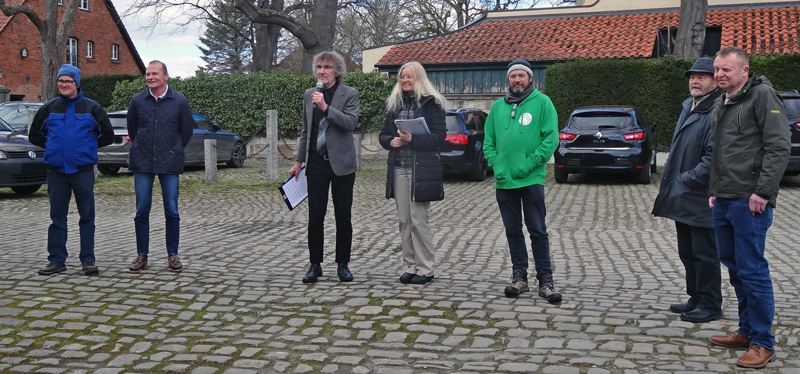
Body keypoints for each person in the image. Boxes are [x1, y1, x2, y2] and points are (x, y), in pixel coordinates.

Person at [707, 46, 790, 369]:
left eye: (726, 69)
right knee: (735, 266)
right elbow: (721, 151)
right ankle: (745, 330)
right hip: (725, 197)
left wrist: (764, 192)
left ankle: (762, 342)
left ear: (744, 71)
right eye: (717, 69)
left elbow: (778, 146)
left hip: (750, 200)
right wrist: (715, 190)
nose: (719, 75)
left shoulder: (762, 97)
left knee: (752, 269)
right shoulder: (723, 101)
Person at [484, 58, 561, 303]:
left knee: (537, 230)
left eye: (521, 76)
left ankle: (546, 280)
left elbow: (551, 139)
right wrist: (496, 163)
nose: (517, 80)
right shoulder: (497, 107)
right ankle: (519, 276)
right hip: (504, 180)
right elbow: (488, 141)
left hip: (531, 179)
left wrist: (529, 164)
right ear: (508, 79)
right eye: (513, 76)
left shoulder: (543, 103)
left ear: (530, 78)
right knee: (512, 230)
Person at [652, 57, 723, 323]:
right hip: (683, 195)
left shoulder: (716, 110)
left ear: (714, 80)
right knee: (688, 252)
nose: (695, 80)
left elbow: (713, 157)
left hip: (701, 196)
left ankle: (711, 303)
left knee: (705, 254)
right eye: (692, 76)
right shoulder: (690, 106)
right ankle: (695, 297)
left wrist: (686, 179)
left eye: (702, 76)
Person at [29, 64, 114, 276]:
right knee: (57, 217)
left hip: (82, 172)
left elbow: (107, 134)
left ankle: (88, 260)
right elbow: (35, 135)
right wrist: (53, 147)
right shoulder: (49, 108)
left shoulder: (92, 108)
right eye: (60, 81)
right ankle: (56, 260)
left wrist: (87, 147)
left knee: (87, 217)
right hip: (56, 172)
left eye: (68, 81)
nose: (64, 85)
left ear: (76, 83)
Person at [289, 51, 360, 283]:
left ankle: (343, 264)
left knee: (343, 217)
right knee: (315, 217)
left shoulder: (350, 94)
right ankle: (315, 264)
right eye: (319, 67)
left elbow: (350, 123)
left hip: (341, 164)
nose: (322, 71)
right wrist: (299, 161)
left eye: (327, 67)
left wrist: (326, 108)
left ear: (337, 71)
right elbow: (305, 131)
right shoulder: (310, 94)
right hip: (316, 163)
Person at [378, 62, 447, 285]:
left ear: (418, 78)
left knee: (419, 220)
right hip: (399, 168)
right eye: (402, 77)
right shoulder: (394, 105)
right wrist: (392, 141)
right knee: (404, 220)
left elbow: (439, 138)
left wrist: (412, 140)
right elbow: (383, 135)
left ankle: (426, 268)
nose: (405, 80)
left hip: (422, 170)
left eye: (409, 77)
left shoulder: (432, 104)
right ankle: (410, 265)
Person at [126, 60, 194, 273]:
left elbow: (186, 130)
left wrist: (174, 149)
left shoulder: (179, 101)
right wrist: (143, 148)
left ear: (166, 77)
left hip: (169, 161)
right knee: (141, 209)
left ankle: (172, 254)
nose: (150, 77)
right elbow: (133, 129)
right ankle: (142, 255)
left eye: (155, 73)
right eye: (147, 74)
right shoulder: (137, 101)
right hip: (143, 161)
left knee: (172, 211)